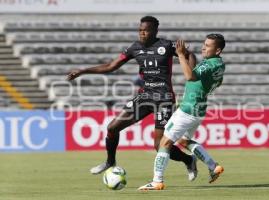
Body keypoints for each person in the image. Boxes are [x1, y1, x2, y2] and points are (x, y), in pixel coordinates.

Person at [66, 16, 198, 181]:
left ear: (155, 30)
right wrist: (83, 71)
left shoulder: (166, 45)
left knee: (159, 146)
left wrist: (192, 73)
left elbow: (189, 54)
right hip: (144, 96)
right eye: (140, 30)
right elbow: (110, 66)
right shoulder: (135, 48)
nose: (142, 33)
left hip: (163, 99)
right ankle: (110, 162)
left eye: (146, 30)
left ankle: (189, 160)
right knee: (112, 128)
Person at [138, 33, 226, 190]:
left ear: (218, 50)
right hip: (198, 109)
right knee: (184, 141)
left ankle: (157, 180)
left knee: (164, 143)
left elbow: (190, 76)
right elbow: (208, 78)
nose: (203, 47)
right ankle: (213, 166)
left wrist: (180, 55)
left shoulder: (209, 64)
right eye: (204, 44)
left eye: (208, 45)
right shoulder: (219, 65)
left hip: (188, 109)